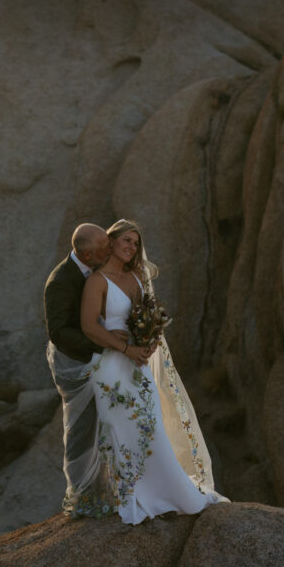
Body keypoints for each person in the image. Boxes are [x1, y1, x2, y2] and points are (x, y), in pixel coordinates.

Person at [58, 218, 227, 523]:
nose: (132, 247)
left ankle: (169, 492)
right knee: (122, 431)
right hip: (111, 368)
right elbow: (88, 326)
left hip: (139, 364)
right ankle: (130, 495)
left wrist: (148, 342)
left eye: (136, 243)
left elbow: (145, 317)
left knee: (152, 427)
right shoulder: (97, 281)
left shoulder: (137, 276)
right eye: (126, 240)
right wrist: (125, 348)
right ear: (111, 242)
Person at [43, 223, 142, 509]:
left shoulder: (103, 269)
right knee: (82, 424)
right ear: (87, 255)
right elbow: (59, 333)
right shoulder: (61, 281)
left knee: (110, 422)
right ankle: (81, 495)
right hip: (75, 361)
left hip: (108, 357)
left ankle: (113, 488)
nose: (110, 251)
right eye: (104, 250)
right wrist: (103, 342)